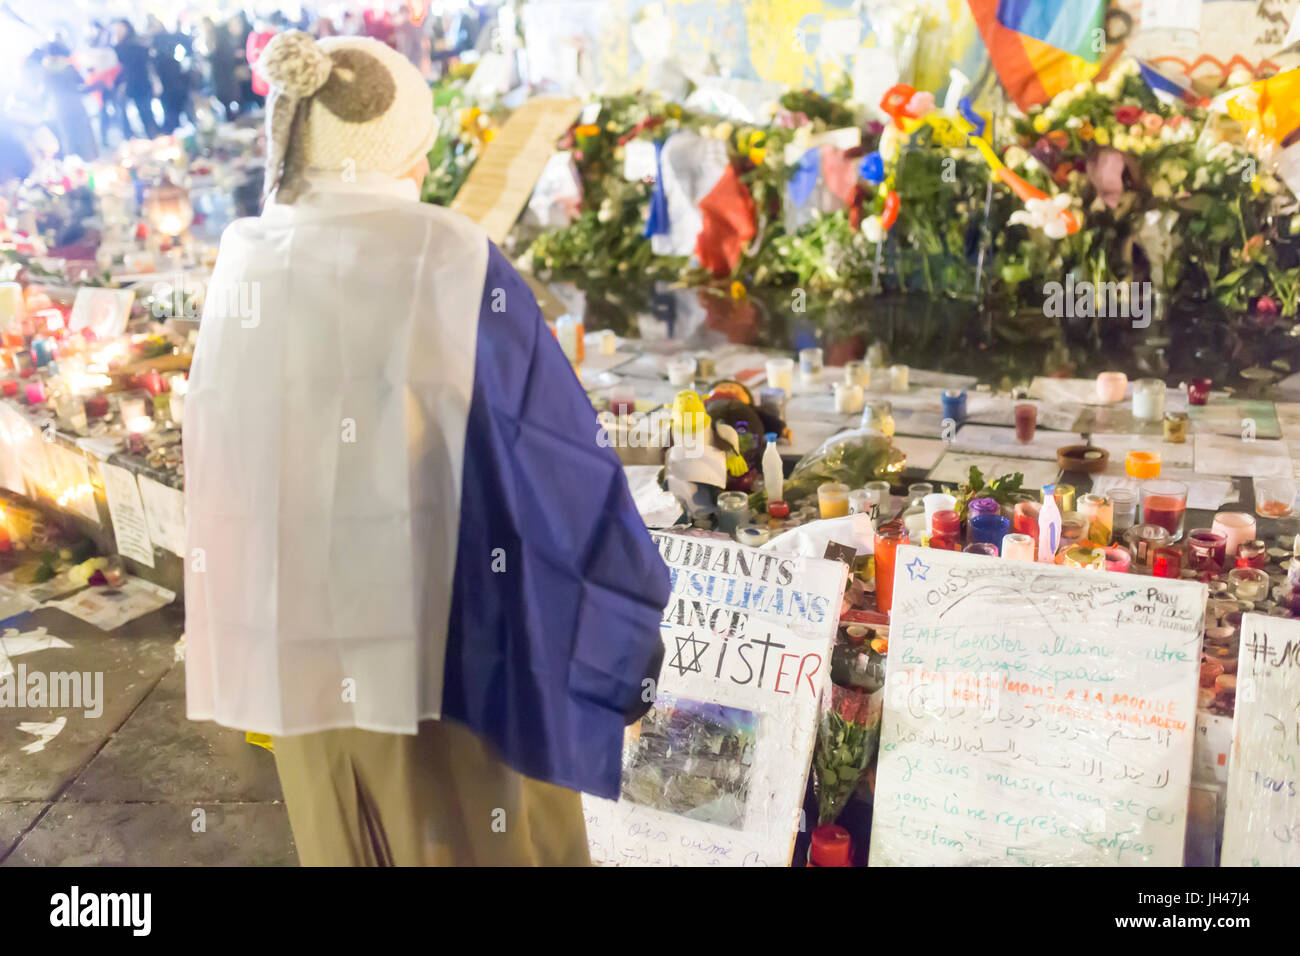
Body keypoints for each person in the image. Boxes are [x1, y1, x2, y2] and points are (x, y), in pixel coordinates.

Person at [184, 31, 669, 867]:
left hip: (310, 678)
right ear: (405, 146)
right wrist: (624, 641)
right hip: (455, 674)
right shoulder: (448, 257)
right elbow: (557, 467)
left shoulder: (247, 259)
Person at [110, 19, 158, 139]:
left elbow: (142, 65)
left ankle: (154, 137)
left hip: (140, 83)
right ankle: (137, 139)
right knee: (129, 114)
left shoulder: (133, 45)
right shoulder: (121, 46)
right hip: (130, 85)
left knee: (146, 113)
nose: (118, 32)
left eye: (120, 28)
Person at [146, 15, 192, 134]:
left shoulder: (164, 40)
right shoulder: (153, 42)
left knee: (175, 108)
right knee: (171, 109)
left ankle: (178, 131)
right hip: (167, 81)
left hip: (173, 79)